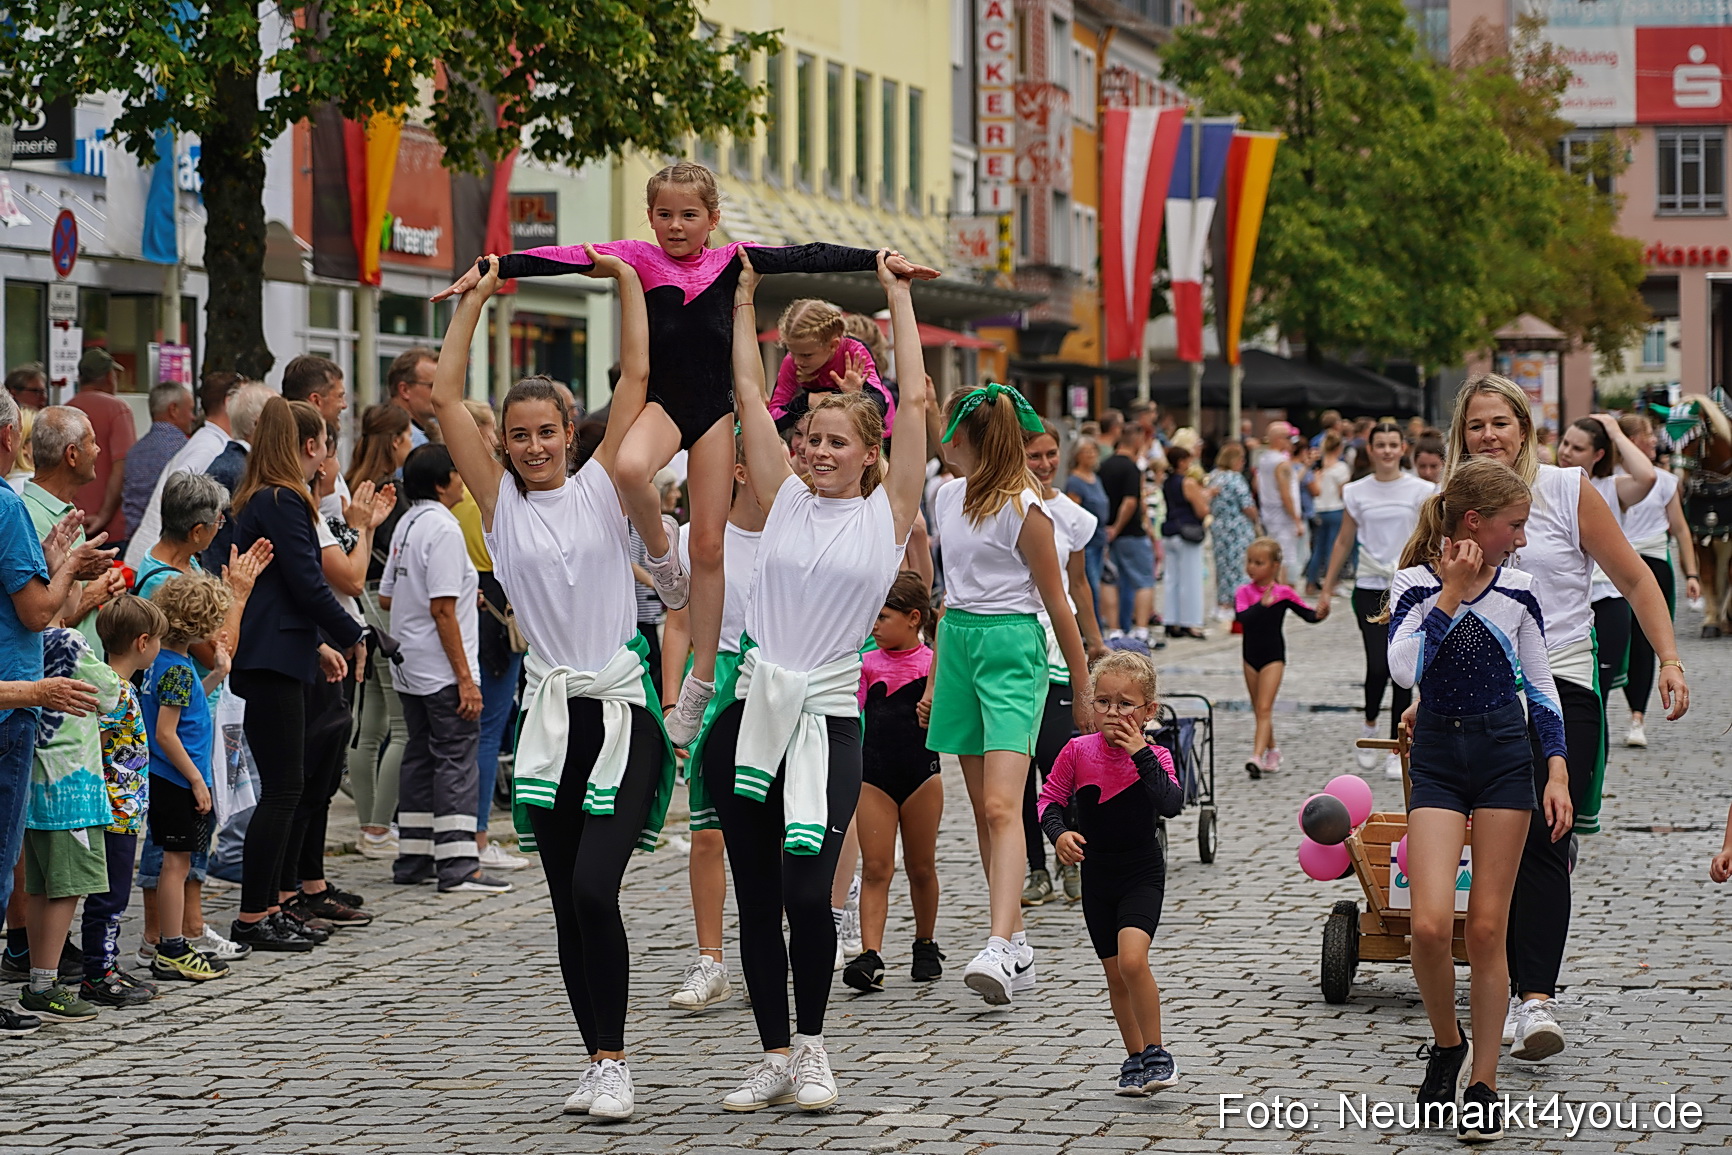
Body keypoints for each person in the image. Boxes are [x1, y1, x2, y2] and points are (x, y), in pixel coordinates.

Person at [438, 162, 939, 754]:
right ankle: (660, 557)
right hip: (665, 403)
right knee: (627, 469)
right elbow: (570, 254)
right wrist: (499, 266)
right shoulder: (637, 257)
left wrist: (876, 258)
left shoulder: (732, 261)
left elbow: (807, 253)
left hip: (715, 411)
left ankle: (700, 681)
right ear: (649, 217)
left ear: (713, 218)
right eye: (665, 215)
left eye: (689, 215)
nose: (676, 226)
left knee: (710, 544)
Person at [435, 249, 674, 1122]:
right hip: (550, 718)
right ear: (503, 443)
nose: (535, 445)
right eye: (520, 434)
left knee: (591, 888)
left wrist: (623, 281)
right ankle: (601, 1058)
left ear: (571, 433)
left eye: (548, 432)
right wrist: (476, 298)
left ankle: (614, 1060)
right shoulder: (498, 504)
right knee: (565, 905)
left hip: (622, 708)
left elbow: (640, 371)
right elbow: (446, 391)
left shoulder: (606, 488)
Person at [707, 250, 926, 1113]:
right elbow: (747, 390)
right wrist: (744, 300)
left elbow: (911, 404)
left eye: (838, 442)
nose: (820, 451)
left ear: (870, 455)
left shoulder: (886, 514)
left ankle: (813, 1046)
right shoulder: (783, 495)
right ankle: (771, 1053)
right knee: (756, 894)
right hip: (752, 713)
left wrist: (897, 298)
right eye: (812, 440)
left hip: (830, 718)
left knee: (807, 889)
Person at [1440, 374, 1688, 1063]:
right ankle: (1506, 984)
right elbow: (1434, 602)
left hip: (1563, 684)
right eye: (1477, 425)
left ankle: (1536, 997)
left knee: (1547, 834)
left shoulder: (1565, 489)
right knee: (1498, 846)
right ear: (1463, 433)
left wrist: (1667, 658)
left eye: (1502, 422)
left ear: (1526, 425)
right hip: (1478, 697)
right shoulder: (1450, 503)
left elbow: (1636, 577)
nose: (1490, 435)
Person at [1386, 456, 1570, 1142]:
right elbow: (1406, 668)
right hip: (1437, 754)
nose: (1520, 538)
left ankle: (1484, 1082)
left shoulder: (1521, 588)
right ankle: (1447, 1042)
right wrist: (1451, 594)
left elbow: (1543, 687)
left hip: (1502, 755)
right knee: (1431, 926)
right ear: (1474, 523)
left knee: (1488, 929)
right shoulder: (1413, 584)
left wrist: (1555, 768)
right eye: (1513, 525)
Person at [924, 381, 1091, 1010]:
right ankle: (1016, 939)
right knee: (981, 807)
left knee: (1002, 806)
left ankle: (999, 939)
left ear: (964, 433)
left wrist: (1081, 685)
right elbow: (950, 591)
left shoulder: (1026, 509)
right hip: (961, 640)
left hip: (1012, 649)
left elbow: (1059, 603)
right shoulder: (946, 496)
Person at [226, 397, 366, 953]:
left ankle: (275, 905)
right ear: (301, 444)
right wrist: (354, 634)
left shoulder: (265, 496)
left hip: (279, 651)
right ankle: (253, 913)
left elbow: (288, 589)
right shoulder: (284, 498)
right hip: (271, 656)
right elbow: (308, 586)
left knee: (287, 786)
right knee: (284, 788)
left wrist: (319, 644)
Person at [0, 386, 113, 1030]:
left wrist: (61, 569)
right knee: (25, 856)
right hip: (33, 707)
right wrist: (72, 574)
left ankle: (39, 967)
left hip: (35, 698)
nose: (99, 450)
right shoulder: (14, 506)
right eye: (93, 441)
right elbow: (41, 612)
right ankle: (37, 968)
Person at [131, 471, 275, 965]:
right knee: (173, 842)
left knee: (198, 832)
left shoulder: (182, 565)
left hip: (203, 722)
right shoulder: (168, 584)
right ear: (197, 529)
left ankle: (187, 926)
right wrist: (237, 594)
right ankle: (164, 935)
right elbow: (221, 647)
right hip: (183, 744)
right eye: (217, 521)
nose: (221, 529)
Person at [1037, 649, 1182, 1096]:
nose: (1113, 712)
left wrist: (1140, 751)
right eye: (1103, 702)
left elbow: (1171, 804)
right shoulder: (1077, 751)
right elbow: (1049, 800)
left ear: (1148, 711)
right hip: (1097, 878)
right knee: (1115, 973)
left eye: (1125, 704)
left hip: (1141, 872)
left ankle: (1158, 1053)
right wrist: (1059, 835)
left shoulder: (1158, 755)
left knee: (1134, 959)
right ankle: (1134, 1058)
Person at [660, 436, 763, 1013]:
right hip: (709, 678)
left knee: (764, 831)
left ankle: (762, 951)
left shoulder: (786, 532)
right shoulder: (703, 535)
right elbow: (678, 621)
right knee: (707, 831)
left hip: (761, 679)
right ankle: (710, 959)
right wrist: (675, 700)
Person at [379, 444, 506, 894]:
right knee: (456, 757)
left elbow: (389, 596)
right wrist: (466, 680)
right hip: (441, 666)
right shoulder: (446, 529)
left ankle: (415, 855)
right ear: (441, 483)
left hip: (408, 661)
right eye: (456, 472)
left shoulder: (407, 524)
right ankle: (458, 863)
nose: (461, 478)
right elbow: (443, 611)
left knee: (419, 754)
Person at [1318, 421, 1436, 779]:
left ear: (1403, 449)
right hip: (1370, 585)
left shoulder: (1423, 489)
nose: (1386, 450)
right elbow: (1343, 540)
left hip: (1409, 584)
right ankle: (1370, 722)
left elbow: (1430, 535)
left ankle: (1397, 744)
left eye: (1392, 444)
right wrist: (1327, 585)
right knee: (1378, 665)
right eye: (1380, 444)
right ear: (1370, 450)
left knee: (1404, 669)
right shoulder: (1356, 491)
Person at [1020, 422, 1106, 908]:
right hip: (1015, 653)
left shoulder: (1071, 515)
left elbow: (1079, 585)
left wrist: (1094, 643)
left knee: (1058, 766)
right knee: (1017, 774)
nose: (1046, 464)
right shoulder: (1004, 502)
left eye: (1052, 454)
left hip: (1057, 650)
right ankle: (1035, 869)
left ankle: (1066, 851)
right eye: (1035, 455)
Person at [845, 571, 943, 993]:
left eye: (883, 617)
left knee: (921, 868)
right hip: (874, 778)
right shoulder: (867, 664)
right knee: (877, 868)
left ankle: (925, 943)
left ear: (913, 618)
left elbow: (951, 722)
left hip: (923, 777)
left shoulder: (933, 667)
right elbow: (852, 713)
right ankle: (871, 954)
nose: (875, 625)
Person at [18, 626, 120, 1024]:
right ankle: (44, 986)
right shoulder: (68, 640)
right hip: (72, 793)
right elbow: (110, 695)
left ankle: (39, 980)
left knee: (43, 888)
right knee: (67, 890)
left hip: (41, 790)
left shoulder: (26, 642)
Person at [141, 572, 234, 983]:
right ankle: (172, 948)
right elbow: (166, 732)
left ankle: (173, 941)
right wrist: (197, 780)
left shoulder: (166, 662)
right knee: (177, 865)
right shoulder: (177, 669)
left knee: (175, 863)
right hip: (178, 781)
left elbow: (182, 705)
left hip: (167, 778)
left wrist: (215, 674)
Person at [448, 399, 528, 872]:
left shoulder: (455, 502)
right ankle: (476, 834)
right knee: (488, 730)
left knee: (469, 733)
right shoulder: (488, 500)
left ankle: (465, 832)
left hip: (470, 609)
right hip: (493, 613)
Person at [78, 595, 167, 1008]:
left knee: (115, 893)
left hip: (126, 808)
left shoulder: (122, 687)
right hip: (113, 808)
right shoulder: (113, 691)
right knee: (110, 896)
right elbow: (95, 744)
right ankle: (98, 973)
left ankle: (106, 965)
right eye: (159, 642)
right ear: (143, 641)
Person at [345, 402, 415, 859]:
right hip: (383, 606)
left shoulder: (355, 483)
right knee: (400, 726)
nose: (412, 444)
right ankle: (376, 827)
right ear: (394, 440)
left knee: (368, 725)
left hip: (359, 605)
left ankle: (371, 826)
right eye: (408, 436)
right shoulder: (393, 491)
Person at [1553, 415, 1657, 713]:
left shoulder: (1611, 487)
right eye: (1565, 443)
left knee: (1595, 700)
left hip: (1607, 600)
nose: (1566, 452)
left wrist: (1614, 430)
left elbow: (1647, 477)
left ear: (1598, 454)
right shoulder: (1548, 482)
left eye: (1577, 448)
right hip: (1564, 602)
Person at [1615, 413, 1700, 748]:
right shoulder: (1605, 480)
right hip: (1615, 566)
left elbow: (1679, 529)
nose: (1654, 440)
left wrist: (1691, 574)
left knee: (1644, 642)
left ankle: (1638, 716)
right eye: (1647, 435)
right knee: (1618, 639)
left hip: (1653, 563)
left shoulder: (1664, 481)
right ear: (1630, 441)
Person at [23, 407, 129, 654]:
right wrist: (95, 594)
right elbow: (39, 618)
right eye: (92, 442)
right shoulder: (29, 518)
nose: (98, 450)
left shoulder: (64, 512)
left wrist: (107, 583)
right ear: (72, 455)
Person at [126, 372, 247, 568]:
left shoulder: (211, 441)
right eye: (245, 399)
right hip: (161, 564)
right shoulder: (209, 447)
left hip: (160, 560)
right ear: (229, 401)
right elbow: (174, 492)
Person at [1234, 538, 1322, 776]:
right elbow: (1242, 619)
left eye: (1259, 563)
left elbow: (1309, 615)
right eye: (1250, 562)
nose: (1252, 567)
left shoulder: (1284, 593)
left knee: (1264, 707)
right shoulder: (1243, 592)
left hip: (1273, 656)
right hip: (1249, 656)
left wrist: (1322, 612)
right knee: (1258, 708)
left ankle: (1256, 756)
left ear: (1274, 566)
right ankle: (1272, 750)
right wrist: (1262, 605)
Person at [768, 298, 895, 433]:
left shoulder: (854, 351)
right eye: (791, 352)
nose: (797, 361)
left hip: (871, 433)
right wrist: (806, 401)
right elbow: (771, 421)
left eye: (807, 355)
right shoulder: (792, 361)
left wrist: (855, 396)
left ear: (833, 345)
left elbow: (882, 404)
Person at [67, 349, 136, 546]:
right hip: (110, 531)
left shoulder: (64, 410)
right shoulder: (118, 409)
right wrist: (103, 516)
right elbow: (122, 467)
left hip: (72, 526)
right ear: (108, 376)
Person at [1100, 421, 1156, 642]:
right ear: (1137, 440)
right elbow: (1130, 502)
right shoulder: (1131, 467)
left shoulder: (1105, 465)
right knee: (1144, 580)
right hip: (1130, 532)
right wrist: (1118, 526)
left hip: (1109, 532)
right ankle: (1141, 629)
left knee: (1111, 580)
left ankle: (1115, 629)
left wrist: (1109, 526)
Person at [121, 382, 193, 541]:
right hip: (167, 544)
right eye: (191, 410)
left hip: (133, 542)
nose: (193, 417)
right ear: (173, 409)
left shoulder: (134, 452)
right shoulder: (185, 451)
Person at [1160, 445, 1212, 640]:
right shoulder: (1188, 482)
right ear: (1182, 462)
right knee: (1190, 580)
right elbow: (1201, 510)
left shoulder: (1167, 481)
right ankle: (1189, 622)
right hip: (1187, 532)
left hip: (1170, 532)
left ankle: (1171, 620)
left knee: (1172, 579)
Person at [1205, 443, 1259, 623]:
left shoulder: (1213, 477)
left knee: (1222, 566)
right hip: (1237, 528)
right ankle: (1234, 603)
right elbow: (1247, 505)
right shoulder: (1235, 478)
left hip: (1219, 527)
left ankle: (1221, 602)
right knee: (1237, 566)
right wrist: (1256, 519)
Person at [1064, 437, 1111, 626]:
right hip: (1086, 542)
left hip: (1100, 538)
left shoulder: (1095, 478)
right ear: (1077, 455)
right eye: (1087, 451)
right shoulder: (1075, 481)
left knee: (1097, 584)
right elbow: (1072, 514)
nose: (1091, 455)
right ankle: (1092, 628)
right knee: (1089, 586)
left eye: (1094, 450)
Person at [1254, 422, 1304, 586]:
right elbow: (1285, 494)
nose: (1291, 442)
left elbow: (1257, 484)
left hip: (1269, 514)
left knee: (1274, 556)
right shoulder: (1281, 462)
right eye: (1289, 437)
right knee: (1284, 559)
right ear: (1279, 439)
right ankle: (1282, 597)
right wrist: (1296, 520)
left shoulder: (1264, 458)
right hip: (1283, 518)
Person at [1304, 432, 1350, 594]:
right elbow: (1342, 492)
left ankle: (1310, 582)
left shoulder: (1318, 467)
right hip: (1335, 509)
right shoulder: (1341, 467)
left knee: (1318, 548)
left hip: (1319, 509)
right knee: (1333, 548)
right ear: (1338, 447)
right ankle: (1332, 583)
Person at [386, 347, 441, 447]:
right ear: (404, 390)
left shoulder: (421, 434)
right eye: (433, 386)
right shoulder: (394, 439)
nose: (441, 393)